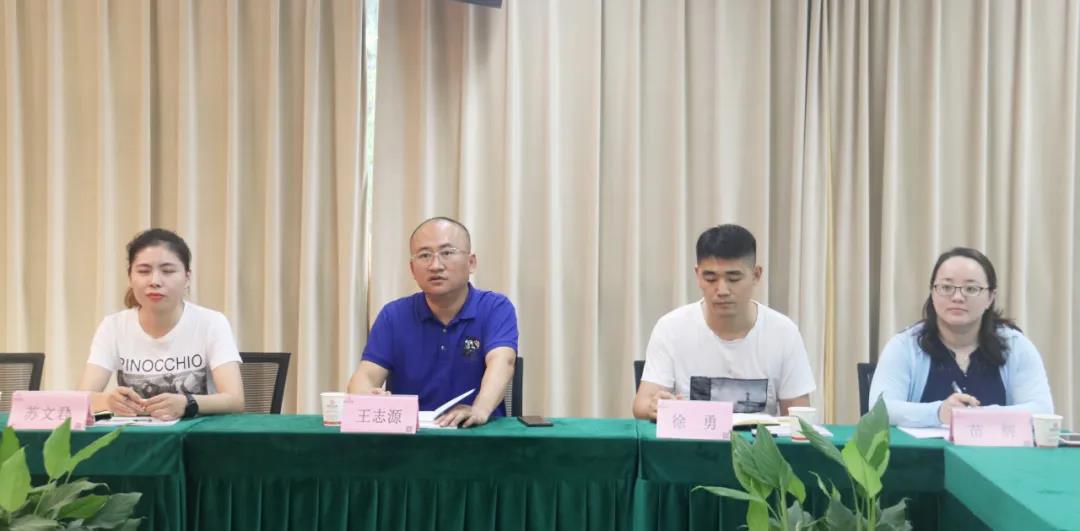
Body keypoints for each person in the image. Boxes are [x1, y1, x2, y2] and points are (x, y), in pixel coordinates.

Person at [632, 224, 815, 420]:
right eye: (710, 278)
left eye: (733, 279)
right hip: (693, 439)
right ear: (697, 275)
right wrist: (655, 406)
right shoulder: (671, 328)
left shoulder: (783, 332)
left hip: (757, 440)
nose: (722, 290)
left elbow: (799, 417)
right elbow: (641, 405)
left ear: (756, 275)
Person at [347, 217, 518, 427]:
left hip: (475, 434)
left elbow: (503, 361)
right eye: (424, 255)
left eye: (447, 253)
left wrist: (479, 409)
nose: (435, 265)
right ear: (412, 269)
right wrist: (368, 398)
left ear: (471, 262)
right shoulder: (394, 315)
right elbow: (365, 375)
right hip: (411, 437)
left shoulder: (495, 308)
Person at [869, 247, 1053, 427]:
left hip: (994, 448)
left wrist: (981, 416)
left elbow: (1042, 410)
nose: (957, 297)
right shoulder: (905, 345)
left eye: (971, 289)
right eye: (946, 287)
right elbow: (880, 409)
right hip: (922, 449)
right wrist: (938, 413)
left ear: (990, 297)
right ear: (932, 293)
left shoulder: (1015, 345)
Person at [77, 229, 245, 420]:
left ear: (187, 278)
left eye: (168, 271)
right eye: (143, 271)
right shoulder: (113, 326)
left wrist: (187, 403)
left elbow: (235, 400)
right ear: (130, 278)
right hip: (135, 435)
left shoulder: (211, 322)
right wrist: (108, 401)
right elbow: (81, 398)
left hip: (196, 434)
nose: (155, 281)